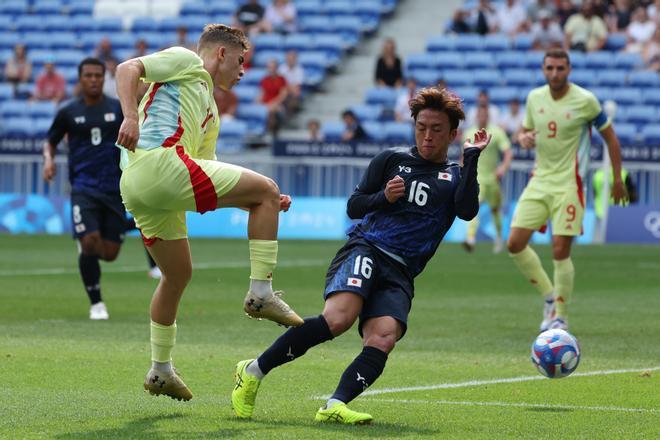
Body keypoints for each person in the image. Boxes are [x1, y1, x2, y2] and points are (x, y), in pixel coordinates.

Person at [231, 86, 490, 424]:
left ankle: (334, 405)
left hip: (401, 272)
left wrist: (471, 158)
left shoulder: (456, 175)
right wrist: (383, 196)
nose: (427, 136)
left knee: (383, 336)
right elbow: (355, 206)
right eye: (421, 128)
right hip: (367, 247)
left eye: (437, 130)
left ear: (453, 134)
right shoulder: (391, 160)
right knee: (338, 318)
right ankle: (252, 371)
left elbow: (467, 211)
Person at [114, 24, 303, 401]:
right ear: (221, 53)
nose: (243, 70)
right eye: (241, 60)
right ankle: (261, 293)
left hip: (143, 185)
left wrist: (259, 201)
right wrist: (131, 116)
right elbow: (125, 69)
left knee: (178, 274)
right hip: (158, 165)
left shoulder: (210, 112)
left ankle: (160, 370)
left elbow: (203, 180)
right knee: (265, 189)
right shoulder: (186, 62)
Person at [508, 49, 628, 332]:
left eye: (560, 68)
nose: (554, 73)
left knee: (560, 250)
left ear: (569, 70)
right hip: (539, 180)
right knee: (514, 243)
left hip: (569, 185)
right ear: (543, 69)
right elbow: (522, 131)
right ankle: (549, 297)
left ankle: (560, 315)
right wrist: (523, 137)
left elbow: (611, 139)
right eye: (550, 68)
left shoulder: (585, 101)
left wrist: (617, 179)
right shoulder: (534, 98)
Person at [42, 58, 159, 321]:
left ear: (104, 78)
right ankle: (97, 304)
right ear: (80, 78)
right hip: (83, 187)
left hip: (114, 188)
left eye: (98, 75)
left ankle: (126, 228)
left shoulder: (118, 109)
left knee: (108, 253)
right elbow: (50, 142)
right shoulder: (68, 112)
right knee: (88, 242)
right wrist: (48, 161)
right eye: (89, 75)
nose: (94, 79)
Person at [463, 105, 512, 254]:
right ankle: (470, 238)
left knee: (495, 210)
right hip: (476, 179)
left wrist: (503, 168)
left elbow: (508, 153)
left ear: (488, 116)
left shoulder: (496, 132)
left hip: (493, 179)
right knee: (474, 207)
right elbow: (463, 156)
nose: (482, 117)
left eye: (485, 114)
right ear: (477, 116)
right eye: (480, 114)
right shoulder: (469, 132)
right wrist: (462, 172)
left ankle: (498, 239)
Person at [259, 58, 288, 136]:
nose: (271, 69)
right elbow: (261, 94)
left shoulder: (281, 79)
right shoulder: (264, 79)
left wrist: (273, 103)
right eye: (269, 67)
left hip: (278, 105)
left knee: (271, 110)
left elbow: (283, 95)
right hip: (266, 104)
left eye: (273, 67)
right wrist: (257, 104)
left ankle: (269, 132)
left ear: (276, 68)